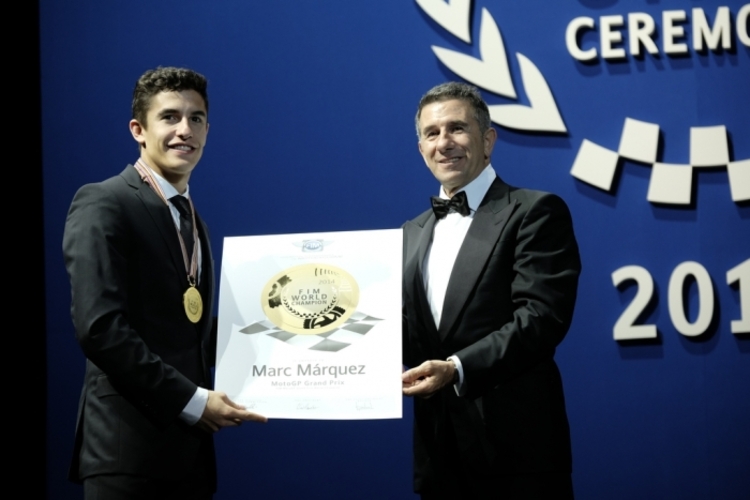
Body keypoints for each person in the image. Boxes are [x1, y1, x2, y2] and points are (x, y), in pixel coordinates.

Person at [63, 66, 266, 500]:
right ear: (139, 129)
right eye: (169, 117)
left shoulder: (195, 222)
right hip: (127, 457)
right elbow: (100, 330)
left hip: (188, 458)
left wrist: (291, 351)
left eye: (195, 119)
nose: (184, 130)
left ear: (208, 130)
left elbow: (190, 336)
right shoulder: (104, 201)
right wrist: (194, 402)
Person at [401, 82, 581, 499]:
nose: (444, 142)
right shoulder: (411, 232)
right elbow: (403, 330)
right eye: (432, 133)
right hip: (439, 456)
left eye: (457, 129)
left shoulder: (535, 211)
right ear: (421, 149)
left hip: (518, 454)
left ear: (488, 140)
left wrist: (457, 367)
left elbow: (541, 318)